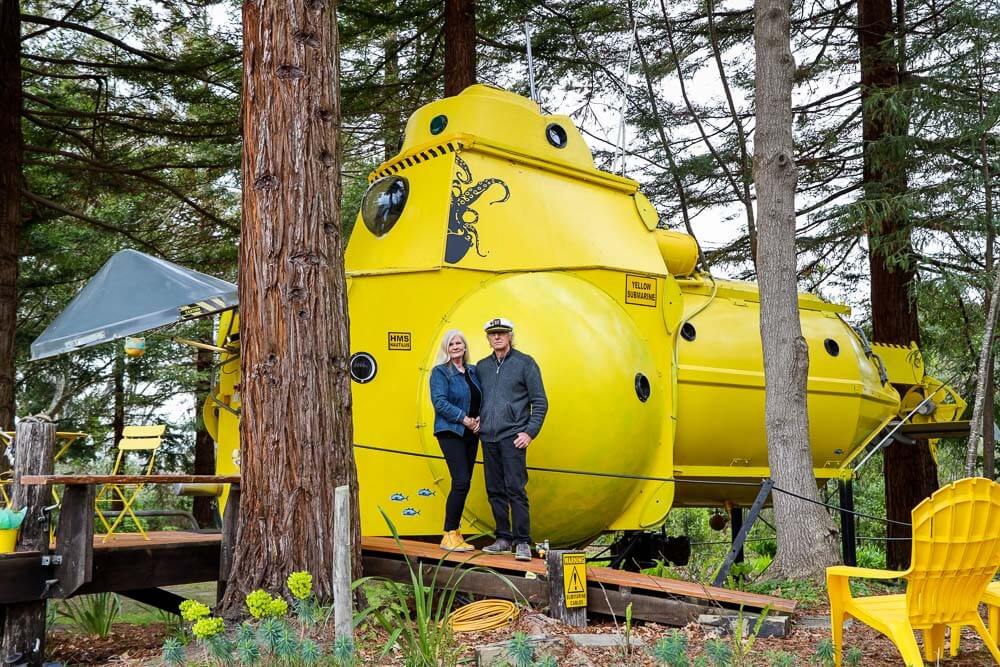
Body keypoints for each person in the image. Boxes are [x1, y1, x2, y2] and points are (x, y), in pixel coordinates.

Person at [476, 317, 548, 561]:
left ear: (510, 336)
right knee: (494, 489)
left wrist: (529, 433)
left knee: (515, 489)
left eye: (502, 333)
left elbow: (540, 402)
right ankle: (503, 538)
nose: (497, 337)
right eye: (493, 334)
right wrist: (476, 420)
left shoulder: (525, 364)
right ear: (487, 338)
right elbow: (477, 399)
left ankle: (522, 542)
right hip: (488, 437)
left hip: (512, 436)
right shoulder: (482, 367)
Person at [429, 329, 482, 551]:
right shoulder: (440, 372)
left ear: (465, 346)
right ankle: (448, 533)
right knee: (460, 480)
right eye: (452, 344)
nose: (456, 346)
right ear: (446, 349)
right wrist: (464, 419)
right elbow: (439, 402)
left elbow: (481, 397)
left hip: (472, 432)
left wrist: (479, 419)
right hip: (451, 431)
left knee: (465, 482)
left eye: (459, 342)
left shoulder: (473, 371)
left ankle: (456, 533)